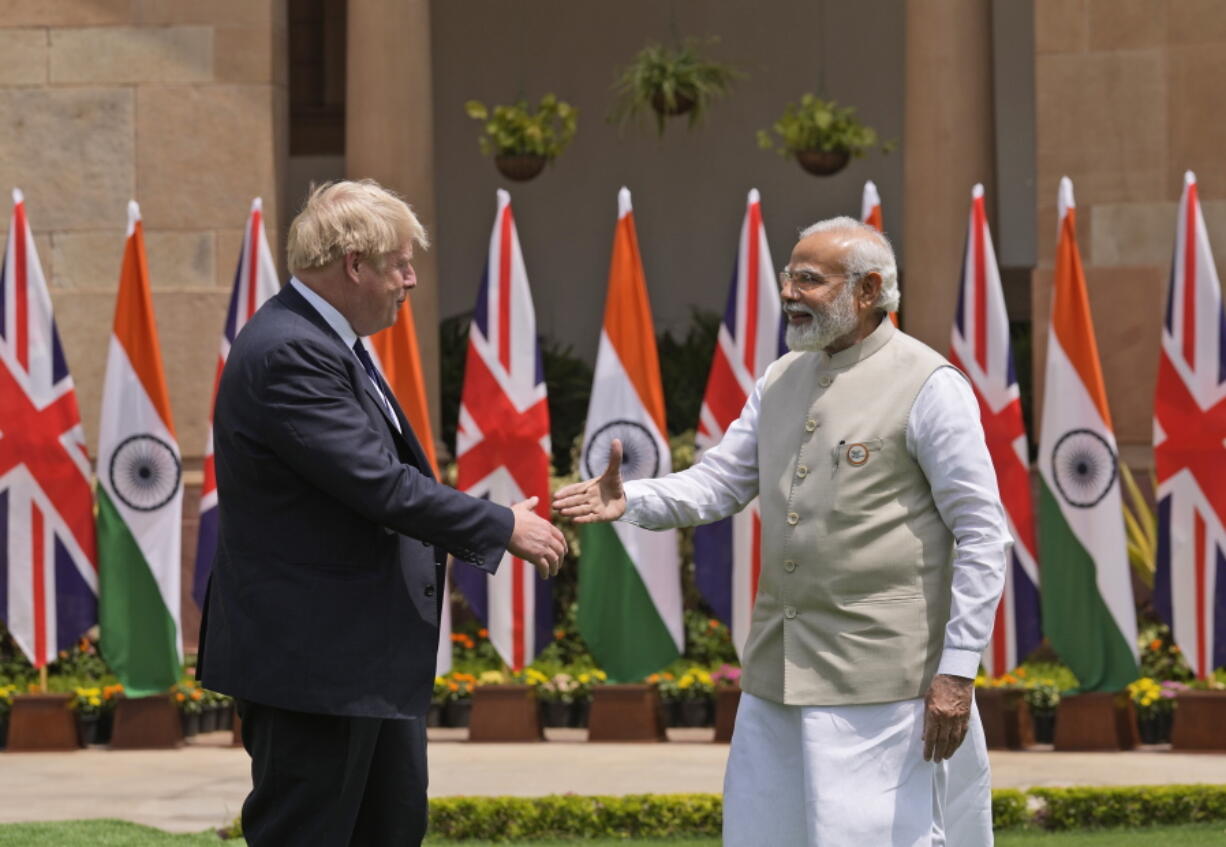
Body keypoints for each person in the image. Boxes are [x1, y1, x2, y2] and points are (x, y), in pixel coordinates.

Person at [555, 217, 1009, 846]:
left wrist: (957, 672)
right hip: (779, 672)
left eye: (808, 279)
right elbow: (718, 483)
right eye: (786, 276)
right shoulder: (778, 380)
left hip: (885, 681)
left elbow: (985, 534)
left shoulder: (930, 385)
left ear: (869, 289)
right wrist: (628, 497)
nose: (788, 292)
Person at [197, 179, 567, 847]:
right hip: (314, 663)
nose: (412, 278)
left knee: (390, 829)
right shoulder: (292, 350)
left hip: (357, 660)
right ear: (354, 265)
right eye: (400, 262)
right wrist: (500, 525)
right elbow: (378, 484)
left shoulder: (326, 341)